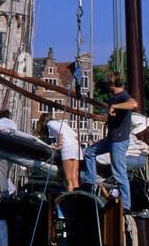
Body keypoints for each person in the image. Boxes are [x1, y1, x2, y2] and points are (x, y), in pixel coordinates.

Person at [82, 72, 140, 212]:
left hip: (119, 141)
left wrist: (116, 107)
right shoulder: (113, 98)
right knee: (89, 152)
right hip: (111, 139)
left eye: (108, 84)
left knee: (119, 172)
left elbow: (134, 104)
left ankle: (126, 204)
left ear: (112, 85)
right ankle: (90, 183)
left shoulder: (123, 96)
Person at [38, 112, 82, 191]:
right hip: (76, 147)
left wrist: (59, 145)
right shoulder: (62, 122)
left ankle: (70, 199)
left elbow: (60, 131)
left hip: (67, 148)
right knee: (75, 178)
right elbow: (76, 135)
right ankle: (77, 199)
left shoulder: (50, 124)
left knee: (68, 179)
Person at [0, 108, 18, 198]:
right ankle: (11, 191)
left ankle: (5, 196)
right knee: (7, 175)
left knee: (0, 175)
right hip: (11, 152)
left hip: (0, 152)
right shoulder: (13, 123)